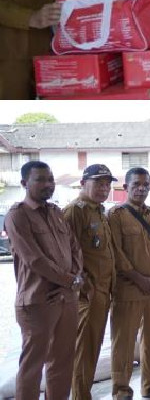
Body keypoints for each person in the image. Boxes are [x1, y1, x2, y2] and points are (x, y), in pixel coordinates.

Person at [5, 161, 83, 400]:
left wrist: (76, 278)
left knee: (62, 361)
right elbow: (34, 259)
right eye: (40, 179)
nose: (47, 185)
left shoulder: (56, 212)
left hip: (66, 299)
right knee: (33, 365)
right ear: (24, 183)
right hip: (38, 301)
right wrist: (70, 280)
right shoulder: (17, 216)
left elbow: (74, 249)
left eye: (50, 179)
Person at [108, 167, 150, 400]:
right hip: (129, 290)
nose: (141, 188)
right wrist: (139, 279)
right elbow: (115, 252)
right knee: (123, 342)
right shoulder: (116, 216)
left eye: (145, 184)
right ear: (126, 188)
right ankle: (122, 390)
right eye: (136, 184)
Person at [63, 164, 117, 400]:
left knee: (93, 346)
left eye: (107, 184)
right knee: (83, 349)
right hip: (87, 293)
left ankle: (84, 393)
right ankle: (79, 395)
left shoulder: (98, 211)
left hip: (103, 290)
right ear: (84, 183)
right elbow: (67, 254)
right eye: (98, 183)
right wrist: (84, 285)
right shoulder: (75, 211)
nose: (104, 189)